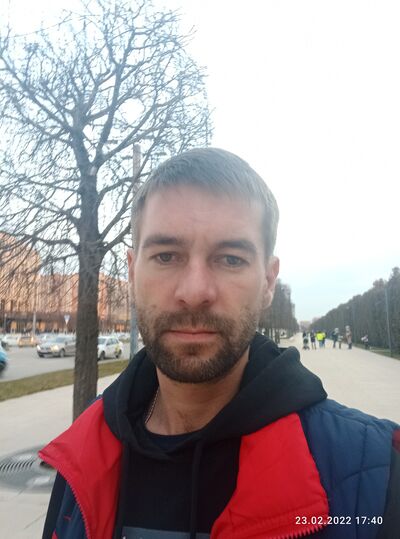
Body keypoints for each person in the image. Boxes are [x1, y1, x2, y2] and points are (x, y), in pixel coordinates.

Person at [40, 148, 399, 539]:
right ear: (131, 271)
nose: (195, 292)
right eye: (166, 256)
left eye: (230, 259)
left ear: (268, 281)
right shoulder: (81, 453)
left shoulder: (377, 472)